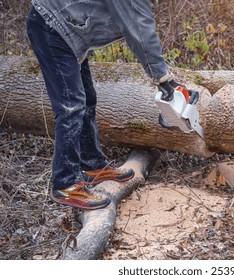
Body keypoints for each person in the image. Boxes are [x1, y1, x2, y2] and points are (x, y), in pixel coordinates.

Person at [26, 0, 181, 210]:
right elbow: (139, 29)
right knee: (71, 106)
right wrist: (162, 78)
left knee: (87, 99)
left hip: (70, 29)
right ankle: (65, 183)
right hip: (51, 26)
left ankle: (92, 166)